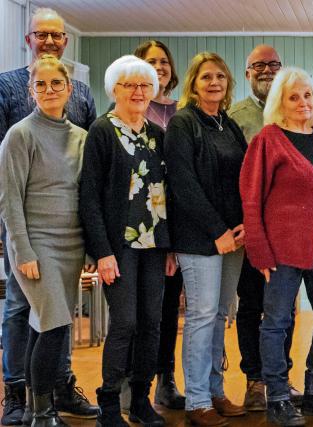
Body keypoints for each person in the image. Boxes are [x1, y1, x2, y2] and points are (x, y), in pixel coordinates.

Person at [0, 8, 98, 424]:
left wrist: (95, 245)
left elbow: (89, 184)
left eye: (57, 82)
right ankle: (23, 402)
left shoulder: (82, 120)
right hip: (31, 237)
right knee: (34, 315)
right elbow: (9, 191)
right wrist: (19, 245)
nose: (49, 88)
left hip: (70, 240)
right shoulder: (15, 121)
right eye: (41, 83)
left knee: (57, 320)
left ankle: (56, 392)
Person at [240, 67, 313, 427]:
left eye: (307, 96)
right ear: (280, 103)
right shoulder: (268, 139)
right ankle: (279, 398)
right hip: (281, 248)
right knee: (277, 323)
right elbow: (251, 198)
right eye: (293, 97)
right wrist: (258, 249)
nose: (302, 102)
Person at [78, 55, 174, 427]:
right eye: (128, 85)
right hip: (118, 247)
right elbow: (89, 196)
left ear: (153, 90)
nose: (137, 92)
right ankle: (107, 404)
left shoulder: (157, 134)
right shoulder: (103, 131)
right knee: (125, 323)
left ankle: (140, 400)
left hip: (154, 244)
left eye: (144, 85)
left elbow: (166, 192)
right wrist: (101, 251)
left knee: (152, 322)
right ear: (114, 89)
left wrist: (168, 246)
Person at [164, 52, 248, 426]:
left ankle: (215, 390)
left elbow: (243, 179)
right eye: (205, 77)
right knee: (200, 317)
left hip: (233, 238)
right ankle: (197, 400)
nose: (214, 82)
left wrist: (244, 224)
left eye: (220, 76)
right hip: (200, 238)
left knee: (219, 317)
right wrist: (217, 231)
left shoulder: (227, 125)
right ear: (193, 84)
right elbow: (183, 184)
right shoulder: (183, 123)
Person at [228, 44, 302, 412]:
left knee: (283, 309)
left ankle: (281, 377)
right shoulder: (235, 116)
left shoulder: (296, 115)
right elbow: (230, 176)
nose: (267, 70)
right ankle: (255, 379)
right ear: (247, 73)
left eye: (274, 63)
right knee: (252, 305)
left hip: (288, 234)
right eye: (258, 65)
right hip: (250, 230)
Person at [132, 39, 186, 411]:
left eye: (163, 61)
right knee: (136, 312)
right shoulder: (127, 110)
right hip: (138, 226)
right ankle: (130, 382)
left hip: (176, 224)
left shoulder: (184, 112)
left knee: (168, 309)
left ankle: (165, 380)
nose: (159, 66)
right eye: (151, 61)